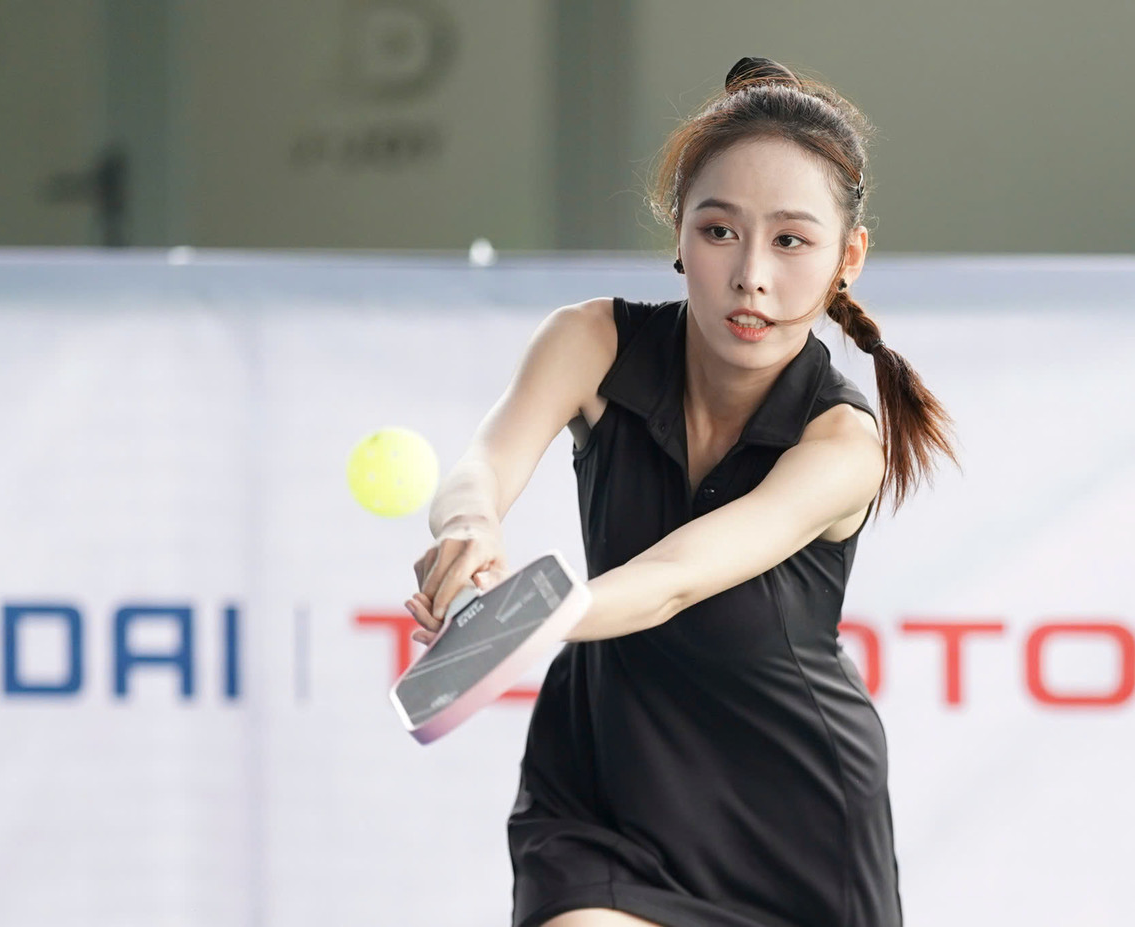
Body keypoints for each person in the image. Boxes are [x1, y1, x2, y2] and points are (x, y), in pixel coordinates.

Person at [407, 56, 960, 927]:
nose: (751, 275)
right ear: (678, 232)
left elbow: (674, 578)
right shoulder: (590, 340)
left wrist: (530, 614)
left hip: (794, 828)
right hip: (605, 791)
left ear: (847, 257)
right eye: (719, 230)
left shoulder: (843, 444)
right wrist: (470, 527)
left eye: (791, 240)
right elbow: (483, 465)